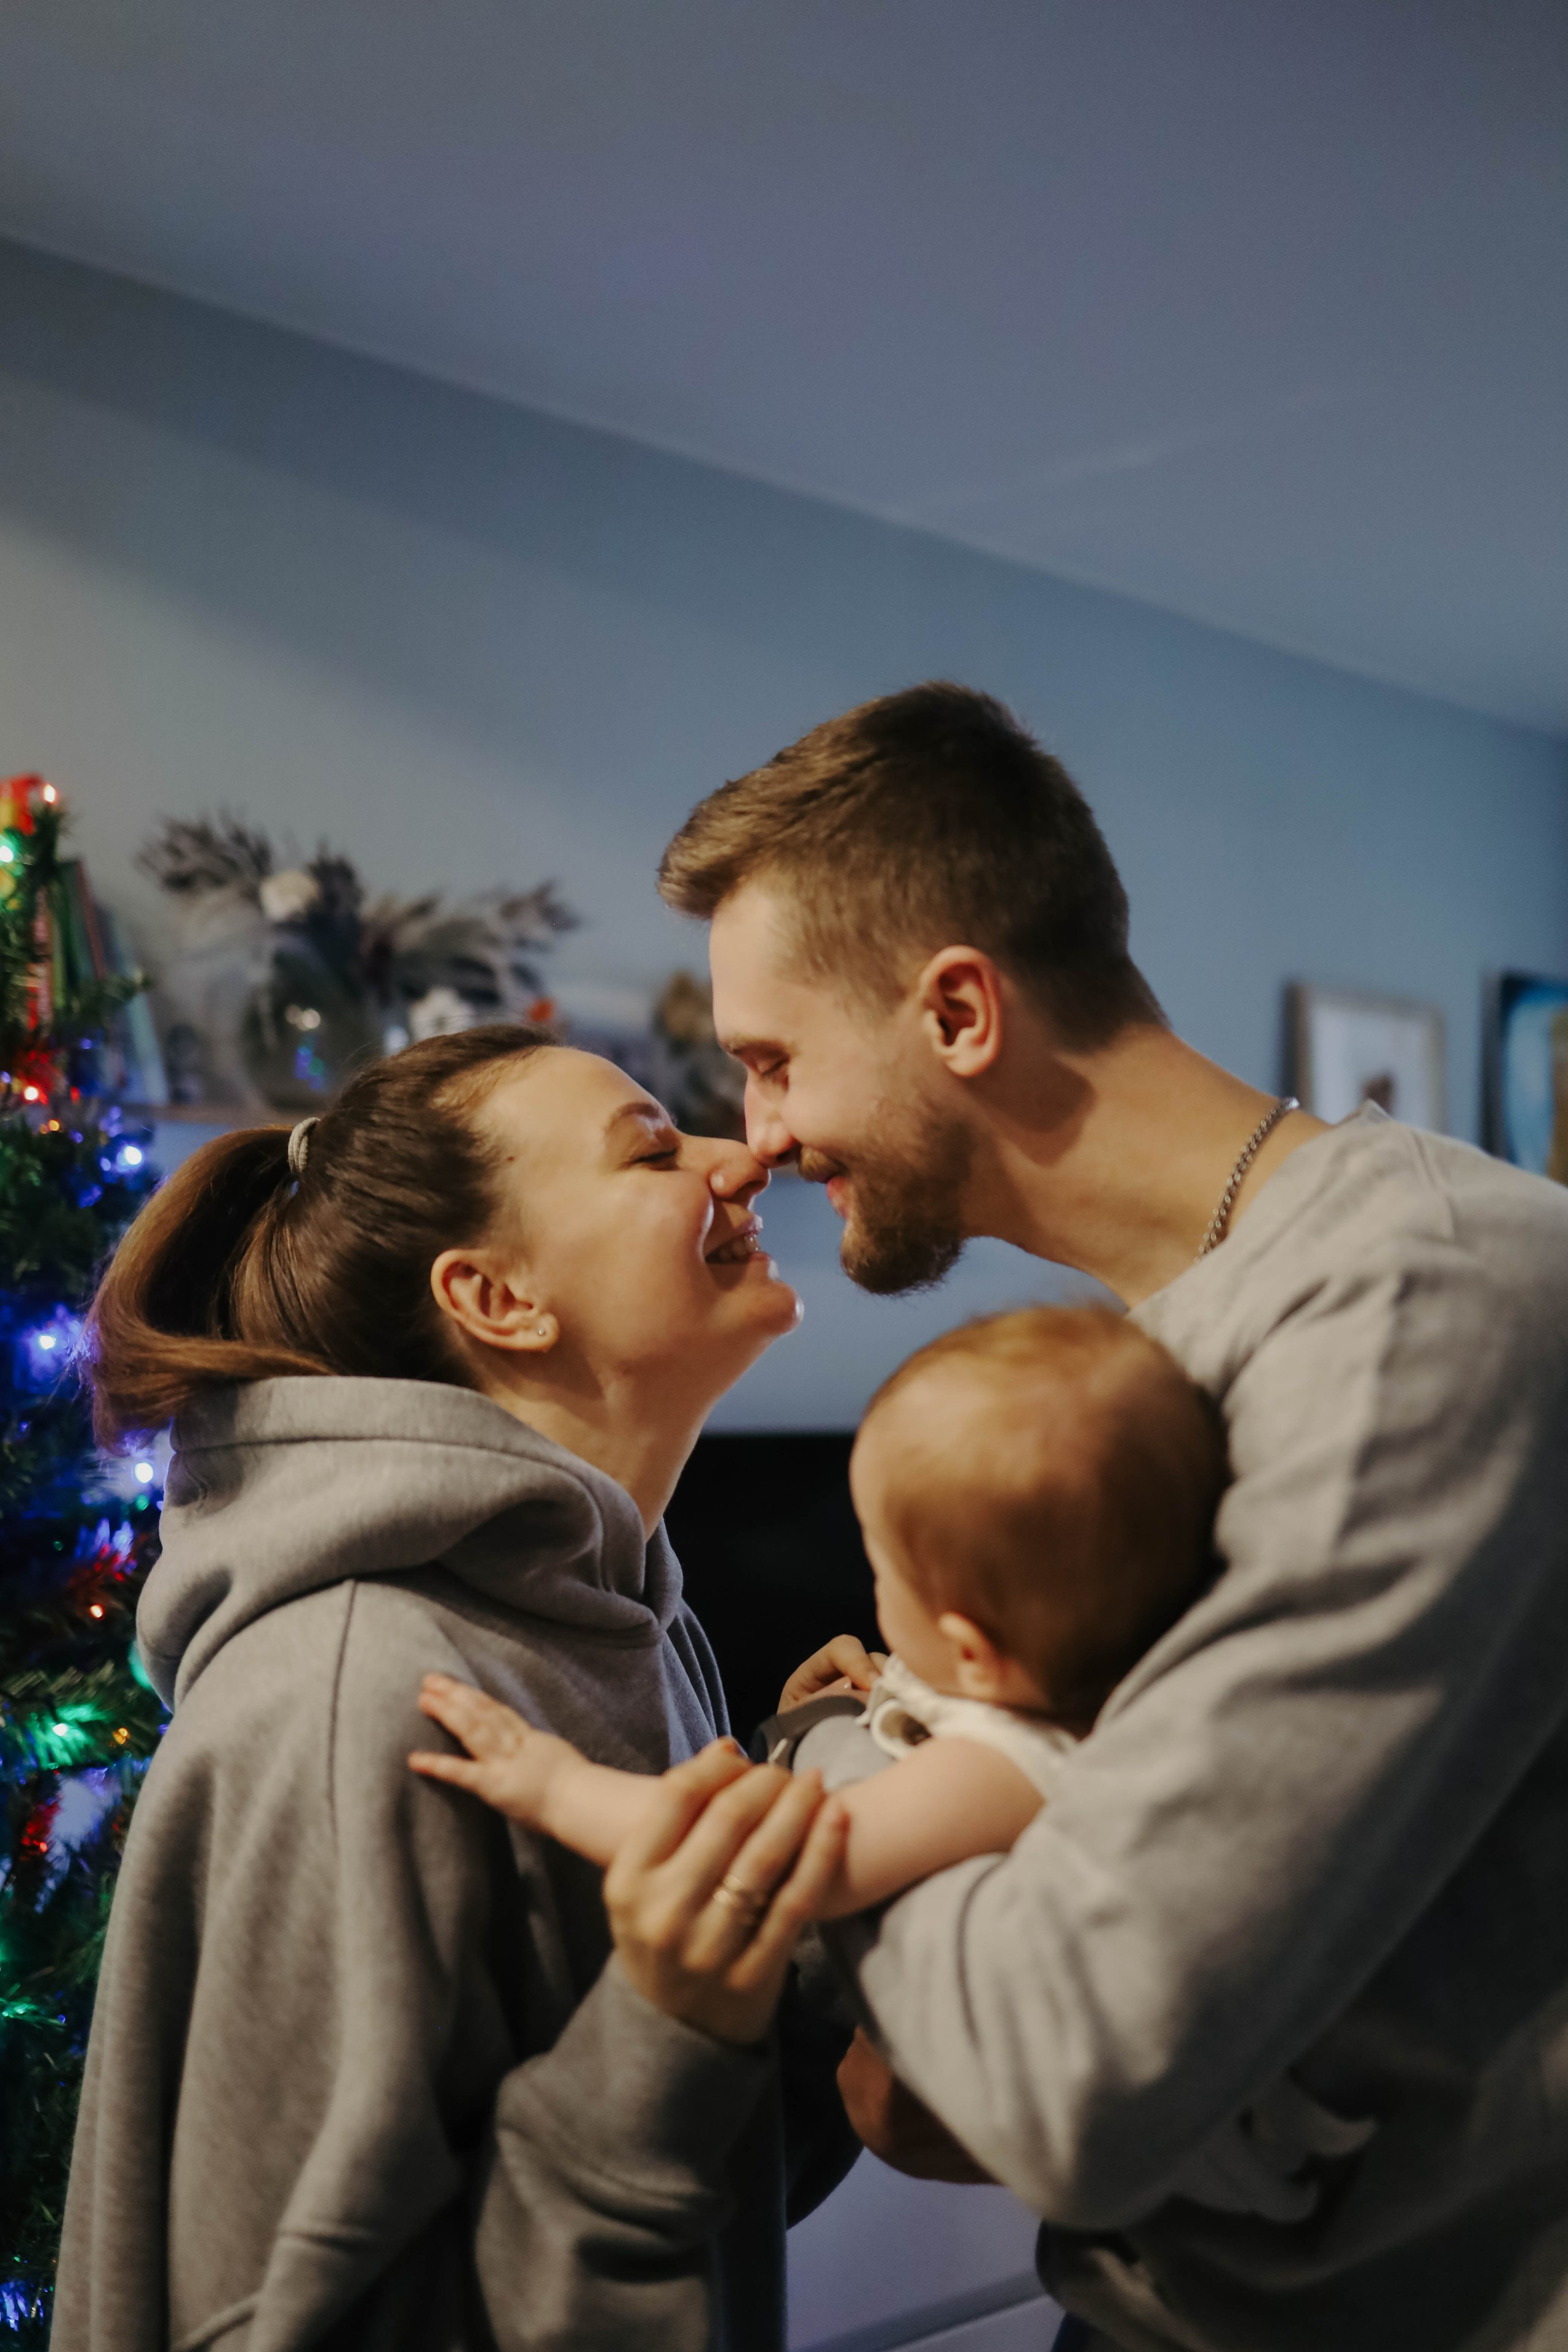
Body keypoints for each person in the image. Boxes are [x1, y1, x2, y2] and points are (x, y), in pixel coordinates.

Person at [649, 682, 1568, 2352]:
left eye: (773, 1062)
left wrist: (841, 1764)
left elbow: (1064, 2075)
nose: (761, 1139)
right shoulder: (1163, 1361)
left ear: (959, 1012)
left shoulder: (1417, 1304)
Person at [56, 1024, 857, 2352]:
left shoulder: (627, 1625)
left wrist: (799, 1843)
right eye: (654, 1149)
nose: (741, 1157)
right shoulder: (361, 1699)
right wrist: (660, 2030)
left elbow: (717, 2194)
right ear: (496, 1299)